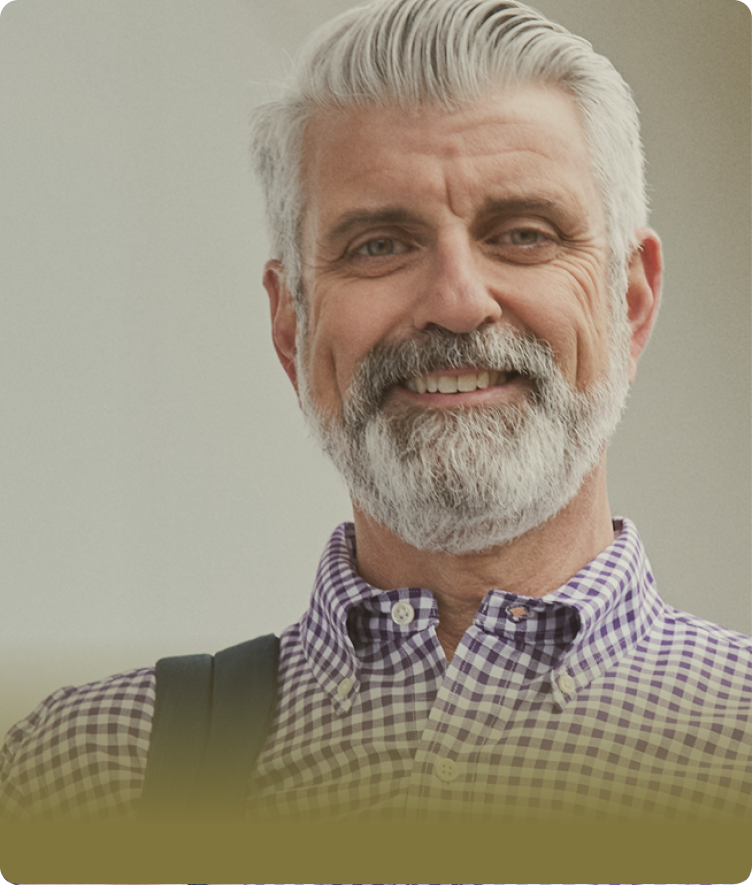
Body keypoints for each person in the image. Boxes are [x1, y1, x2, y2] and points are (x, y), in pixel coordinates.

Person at [1, 0, 750, 827]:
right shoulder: (93, 772)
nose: (458, 303)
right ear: (293, 324)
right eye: (380, 245)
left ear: (631, 301)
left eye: (525, 233)